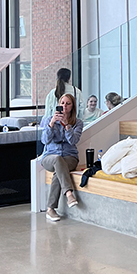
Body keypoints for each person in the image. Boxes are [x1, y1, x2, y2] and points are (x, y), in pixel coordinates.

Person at [40, 93, 83, 222]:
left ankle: (50, 209)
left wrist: (67, 126)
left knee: (58, 170)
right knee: (57, 160)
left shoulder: (78, 123)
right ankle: (69, 194)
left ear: (72, 107)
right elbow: (45, 140)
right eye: (62, 103)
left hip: (70, 157)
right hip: (49, 157)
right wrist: (52, 124)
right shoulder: (49, 120)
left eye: (68, 104)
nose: (64, 106)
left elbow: (73, 141)